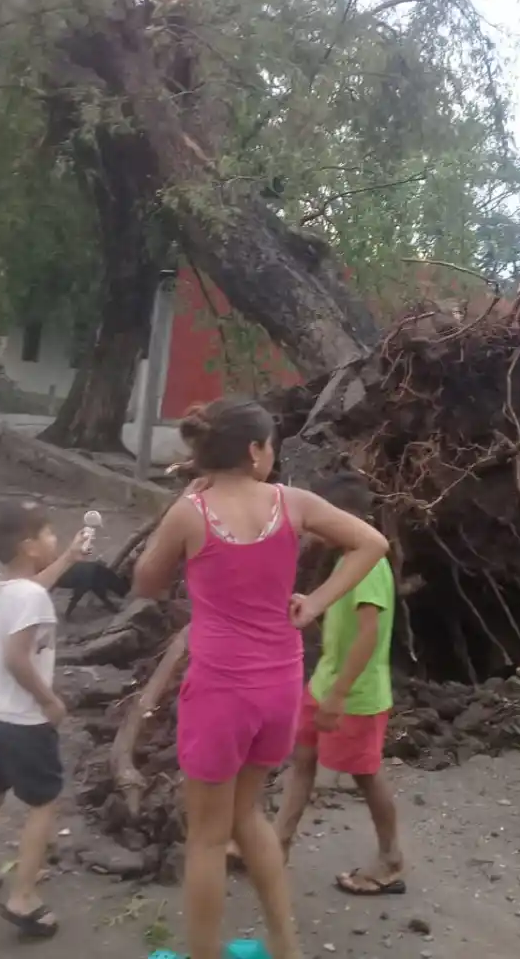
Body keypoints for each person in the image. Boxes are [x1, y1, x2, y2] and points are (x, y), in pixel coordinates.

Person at [133, 397, 388, 959]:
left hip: (220, 692)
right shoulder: (291, 502)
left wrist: (178, 510)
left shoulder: (192, 512)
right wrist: (316, 602)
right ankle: (285, 947)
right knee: (247, 815)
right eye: (272, 444)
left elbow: (146, 583)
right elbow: (373, 543)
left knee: (206, 837)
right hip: (279, 686)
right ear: (254, 451)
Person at [0, 500, 89, 940]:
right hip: (24, 721)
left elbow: (31, 592)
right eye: (49, 534)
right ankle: (23, 896)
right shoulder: (33, 598)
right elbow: (17, 659)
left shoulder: (0, 587)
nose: (55, 538)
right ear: (30, 546)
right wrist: (50, 701)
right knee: (43, 805)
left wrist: (68, 558)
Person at [274, 470, 403, 895]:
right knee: (303, 760)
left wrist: (339, 695)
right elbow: (341, 621)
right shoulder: (348, 561)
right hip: (325, 683)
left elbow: (369, 635)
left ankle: (391, 859)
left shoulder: (370, 567)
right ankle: (277, 845)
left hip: (355, 695)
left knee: (365, 774)